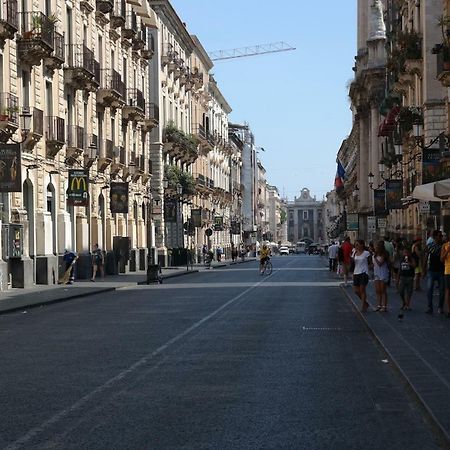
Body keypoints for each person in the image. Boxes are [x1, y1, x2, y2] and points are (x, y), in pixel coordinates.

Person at [425, 230, 445, 314]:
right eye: (440, 236)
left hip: (441, 270)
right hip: (431, 271)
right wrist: (423, 269)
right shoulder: (430, 246)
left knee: (442, 290)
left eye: (441, 236)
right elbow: (426, 257)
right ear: (435, 237)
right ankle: (430, 307)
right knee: (429, 289)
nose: (441, 237)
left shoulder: (444, 246)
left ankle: (440, 307)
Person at [352, 239, 372, 312]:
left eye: (357, 244)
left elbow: (370, 262)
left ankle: (362, 305)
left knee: (362, 289)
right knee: (356, 291)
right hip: (356, 273)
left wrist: (368, 268)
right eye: (355, 245)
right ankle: (365, 303)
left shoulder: (366, 253)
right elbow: (353, 264)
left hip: (364, 273)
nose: (356, 246)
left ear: (362, 245)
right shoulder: (354, 253)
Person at [373, 240, 390, 311]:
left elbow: (380, 264)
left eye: (377, 246)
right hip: (377, 273)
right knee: (378, 290)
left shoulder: (384, 254)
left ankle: (384, 306)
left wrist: (375, 258)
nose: (376, 248)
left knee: (383, 290)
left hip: (383, 273)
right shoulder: (375, 254)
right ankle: (379, 305)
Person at [440, 234, 450, 317]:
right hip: (448, 271)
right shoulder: (445, 245)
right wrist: (447, 251)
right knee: (448, 291)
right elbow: (442, 259)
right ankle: (449, 310)